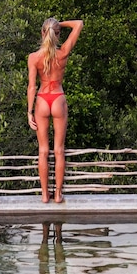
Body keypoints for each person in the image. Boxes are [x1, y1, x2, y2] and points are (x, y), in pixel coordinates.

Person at [27, 17, 83, 203]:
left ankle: (44, 195)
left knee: (43, 150)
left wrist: (29, 112)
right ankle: (58, 195)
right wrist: (59, 24)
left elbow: (31, 87)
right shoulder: (63, 53)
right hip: (58, 98)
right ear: (57, 34)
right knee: (59, 150)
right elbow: (79, 24)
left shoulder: (34, 57)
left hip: (42, 99)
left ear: (43, 33)